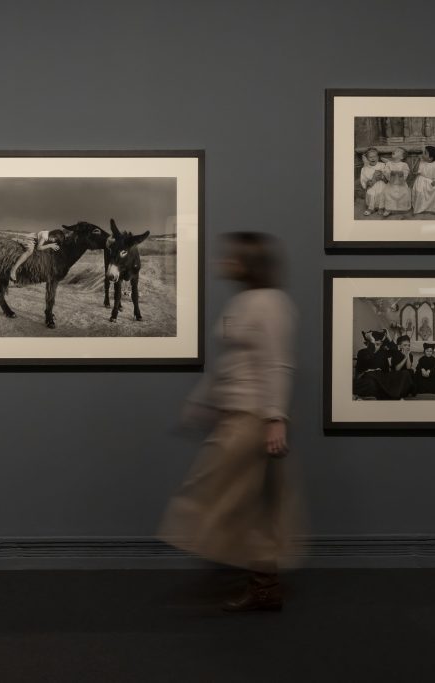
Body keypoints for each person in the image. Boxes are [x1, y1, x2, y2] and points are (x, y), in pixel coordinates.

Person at [160, 232, 301, 613]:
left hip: (252, 419)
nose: (222, 262)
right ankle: (264, 587)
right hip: (234, 416)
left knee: (233, 502)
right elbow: (228, 363)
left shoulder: (271, 304)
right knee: (251, 504)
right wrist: (202, 403)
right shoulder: (242, 302)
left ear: (248, 262)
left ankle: (263, 585)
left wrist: (275, 418)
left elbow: (277, 364)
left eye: (231, 257)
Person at [412, 145, 435, 214]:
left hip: (431, 181)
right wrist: (418, 161)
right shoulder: (421, 163)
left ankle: (430, 208)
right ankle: (419, 207)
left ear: (430, 158)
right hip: (421, 180)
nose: (422, 154)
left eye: (425, 153)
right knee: (420, 191)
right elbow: (414, 171)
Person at [382, 148, 411, 217]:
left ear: (402, 157)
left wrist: (401, 173)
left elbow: (406, 172)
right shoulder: (389, 163)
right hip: (391, 183)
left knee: (404, 193)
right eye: (394, 150)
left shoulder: (404, 165)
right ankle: (388, 209)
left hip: (401, 184)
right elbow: (385, 171)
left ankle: (402, 208)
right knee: (388, 193)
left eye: (398, 151)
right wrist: (390, 173)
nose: (394, 151)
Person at [359, 148, 388, 216]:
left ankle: (381, 207)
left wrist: (382, 177)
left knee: (382, 191)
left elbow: (387, 177)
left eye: (375, 156)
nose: (373, 158)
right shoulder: (364, 169)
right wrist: (367, 183)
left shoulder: (382, 165)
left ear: (378, 157)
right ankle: (371, 208)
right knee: (371, 192)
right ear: (366, 158)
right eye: (370, 157)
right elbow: (363, 180)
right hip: (372, 185)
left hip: (381, 183)